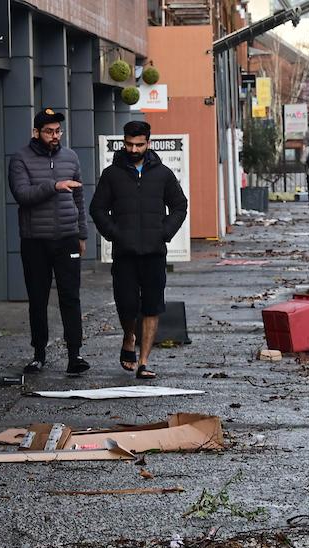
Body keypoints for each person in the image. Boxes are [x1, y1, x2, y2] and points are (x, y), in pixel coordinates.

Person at [90, 120, 188, 380]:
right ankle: (128, 336)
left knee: (152, 306)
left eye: (139, 145)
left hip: (154, 253)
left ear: (148, 143)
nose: (133, 149)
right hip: (125, 253)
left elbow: (180, 205)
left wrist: (164, 232)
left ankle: (144, 361)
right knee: (127, 305)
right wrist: (115, 234)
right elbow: (97, 209)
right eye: (129, 144)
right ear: (124, 142)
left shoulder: (163, 174)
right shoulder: (112, 174)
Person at [7, 108, 90, 375]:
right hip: (35, 240)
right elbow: (22, 194)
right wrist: (53, 186)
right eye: (49, 131)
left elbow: (79, 197)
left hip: (67, 237)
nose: (55, 136)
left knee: (71, 297)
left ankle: (75, 355)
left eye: (58, 131)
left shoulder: (71, 156)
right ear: (36, 132)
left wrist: (82, 233)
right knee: (38, 298)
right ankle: (38, 354)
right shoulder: (21, 159)